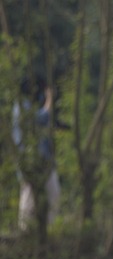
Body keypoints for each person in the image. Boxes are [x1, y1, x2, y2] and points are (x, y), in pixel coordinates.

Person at [12, 76, 61, 230]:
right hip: (31, 161)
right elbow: (42, 118)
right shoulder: (22, 108)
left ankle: (44, 229)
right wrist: (49, 100)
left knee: (47, 194)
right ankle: (26, 230)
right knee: (31, 195)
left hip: (39, 160)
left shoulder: (23, 107)